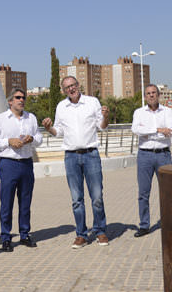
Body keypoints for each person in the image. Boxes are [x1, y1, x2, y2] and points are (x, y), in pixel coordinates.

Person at [42, 76, 110, 248]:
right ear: (64, 91)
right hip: (71, 156)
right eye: (67, 88)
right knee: (76, 198)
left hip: (91, 155)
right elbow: (58, 132)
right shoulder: (61, 107)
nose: (71, 89)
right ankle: (81, 234)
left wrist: (106, 116)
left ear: (79, 85)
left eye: (73, 85)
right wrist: (49, 127)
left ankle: (100, 231)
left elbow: (102, 126)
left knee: (97, 197)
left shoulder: (92, 102)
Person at [0, 88, 43, 252]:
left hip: (26, 163)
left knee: (25, 202)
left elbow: (39, 138)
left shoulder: (30, 118)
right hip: (8, 164)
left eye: (23, 97)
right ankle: (6, 237)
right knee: (7, 202)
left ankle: (25, 234)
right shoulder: (0, 119)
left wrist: (32, 139)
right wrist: (8, 141)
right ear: (10, 101)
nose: (22, 100)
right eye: (18, 97)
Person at [131, 84, 172, 237]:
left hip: (163, 155)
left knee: (167, 192)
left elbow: (170, 132)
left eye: (154, 93)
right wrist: (157, 129)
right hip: (145, 156)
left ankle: (170, 223)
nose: (151, 95)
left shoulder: (167, 111)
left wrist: (148, 131)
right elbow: (136, 130)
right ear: (145, 96)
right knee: (143, 192)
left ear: (158, 95)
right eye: (148, 93)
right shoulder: (139, 112)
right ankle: (144, 225)